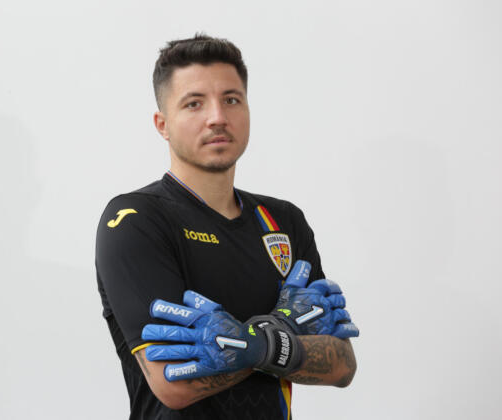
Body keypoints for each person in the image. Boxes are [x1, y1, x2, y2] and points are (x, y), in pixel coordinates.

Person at [95, 34, 358, 420]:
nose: (217, 116)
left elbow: (342, 364)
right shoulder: (135, 220)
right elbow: (173, 382)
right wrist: (281, 334)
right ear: (162, 124)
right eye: (194, 103)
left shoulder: (283, 221)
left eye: (232, 99)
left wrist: (246, 344)